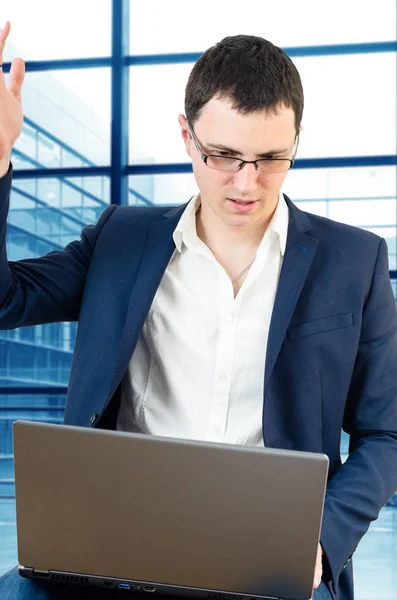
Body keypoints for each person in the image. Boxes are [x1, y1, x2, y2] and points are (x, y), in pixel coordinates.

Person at [0, 21, 396, 600]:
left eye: (271, 159)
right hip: (113, 544)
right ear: (187, 135)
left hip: (272, 557)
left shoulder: (353, 261)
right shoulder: (121, 240)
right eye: (223, 156)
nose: (247, 183)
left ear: (296, 143)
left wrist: (322, 544)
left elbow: (386, 432)